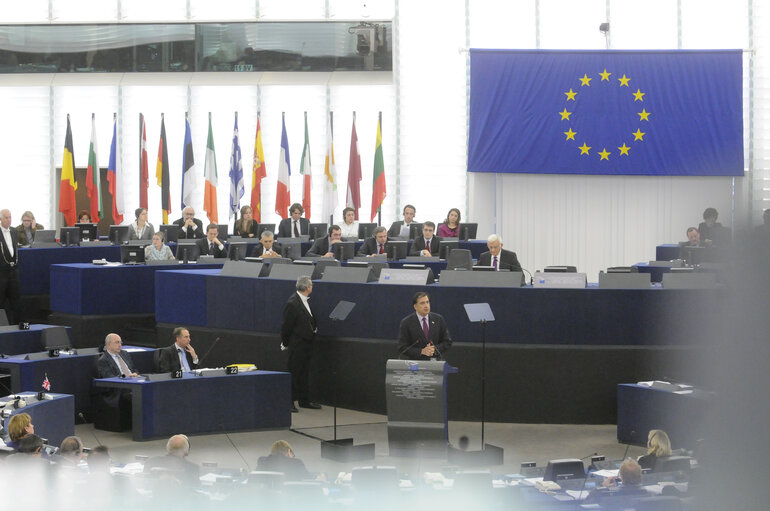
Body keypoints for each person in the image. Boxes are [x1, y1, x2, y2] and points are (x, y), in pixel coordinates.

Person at [281, 276, 320, 411]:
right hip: (297, 345)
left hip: (306, 344)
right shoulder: (292, 303)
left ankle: (304, 400)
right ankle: (289, 402)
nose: (312, 287)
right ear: (307, 287)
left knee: (304, 373)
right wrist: (285, 343)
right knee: (294, 373)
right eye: (311, 285)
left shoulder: (303, 301)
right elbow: (286, 326)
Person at [95, 333, 138, 431]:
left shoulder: (125, 354)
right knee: (134, 396)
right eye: (117, 342)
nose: (120, 345)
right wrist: (126, 377)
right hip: (119, 389)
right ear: (109, 345)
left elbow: (134, 369)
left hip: (135, 383)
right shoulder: (103, 360)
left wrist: (135, 373)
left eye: (121, 342)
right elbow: (109, 377)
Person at [398, 292, 452, 360]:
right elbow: (402, 347)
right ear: (415, 306)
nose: (426, 306)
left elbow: (447, 342)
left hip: (435, 363)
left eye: (427, 302)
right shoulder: (407, 322)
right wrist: (421, 351)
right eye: (422, 303)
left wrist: (434, 349)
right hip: (416, 363)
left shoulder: (438, 319)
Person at [0, 209, 21, 324]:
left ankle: (18, 326)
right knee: (1, 301)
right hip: (1, 272)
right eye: (6, 218)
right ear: (1, 219)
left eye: (10, 217)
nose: (9, 220)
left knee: (16, 301)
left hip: (13, 272)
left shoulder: (14, 231)